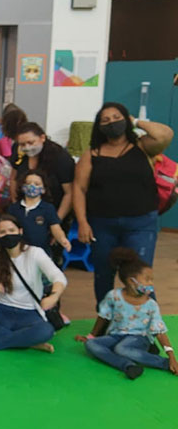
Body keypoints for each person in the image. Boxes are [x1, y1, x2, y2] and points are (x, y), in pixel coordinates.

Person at [73, 103, 173, 307]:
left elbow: (165, 134)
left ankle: (146, 323)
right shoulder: (92, 154)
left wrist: (135, 121)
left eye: (117, 117)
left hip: (141, 222)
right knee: (103, 273)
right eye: (105, 120)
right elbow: (79, 189)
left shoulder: (143, 146)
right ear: (99, 126)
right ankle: (106, 320)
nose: (112, 123)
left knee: (140, 272)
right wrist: (82, 222)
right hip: (102, 224)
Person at [0, 214, 66, 352]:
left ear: (20, 231)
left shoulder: (35, 253)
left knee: (46, 330)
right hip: (0, 310)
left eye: (12, 230)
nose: (8, 235)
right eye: (3, 232)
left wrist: (54, 296)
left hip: (29, 312)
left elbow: (58, 277)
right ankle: (27, 341)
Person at [76, 248, 178, 379]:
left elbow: (159, 331)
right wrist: (91, 336)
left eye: (152, 279)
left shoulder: (151, 304)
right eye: (147, 279)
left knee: (121, 349)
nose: (151, 283)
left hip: (139, 337)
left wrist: (171, 357)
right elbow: (103, 317)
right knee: (91, 345)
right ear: (131, 281)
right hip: (116, 336)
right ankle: (128, 365)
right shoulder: (114, 296)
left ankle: (163, 364)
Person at [0, 170, 71, 257]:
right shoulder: (14, 208)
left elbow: (55, 228)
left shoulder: (48, 208)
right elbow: (1, 226)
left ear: (43, 190)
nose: (32, 186)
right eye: (28, 183)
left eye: (36, 184)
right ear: (22, 187)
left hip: (41, 254)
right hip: (19, 254)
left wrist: (63, 240)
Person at [10, 122, 75, 221]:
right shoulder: (19, 152)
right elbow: (13, 179)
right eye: (22, 144)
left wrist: (56, 222)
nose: (27, 147)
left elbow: (69, 193)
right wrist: (16, 206)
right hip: (24, 210)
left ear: (42, 138)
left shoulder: (60, 158)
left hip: (54, 210)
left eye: (31, 143)